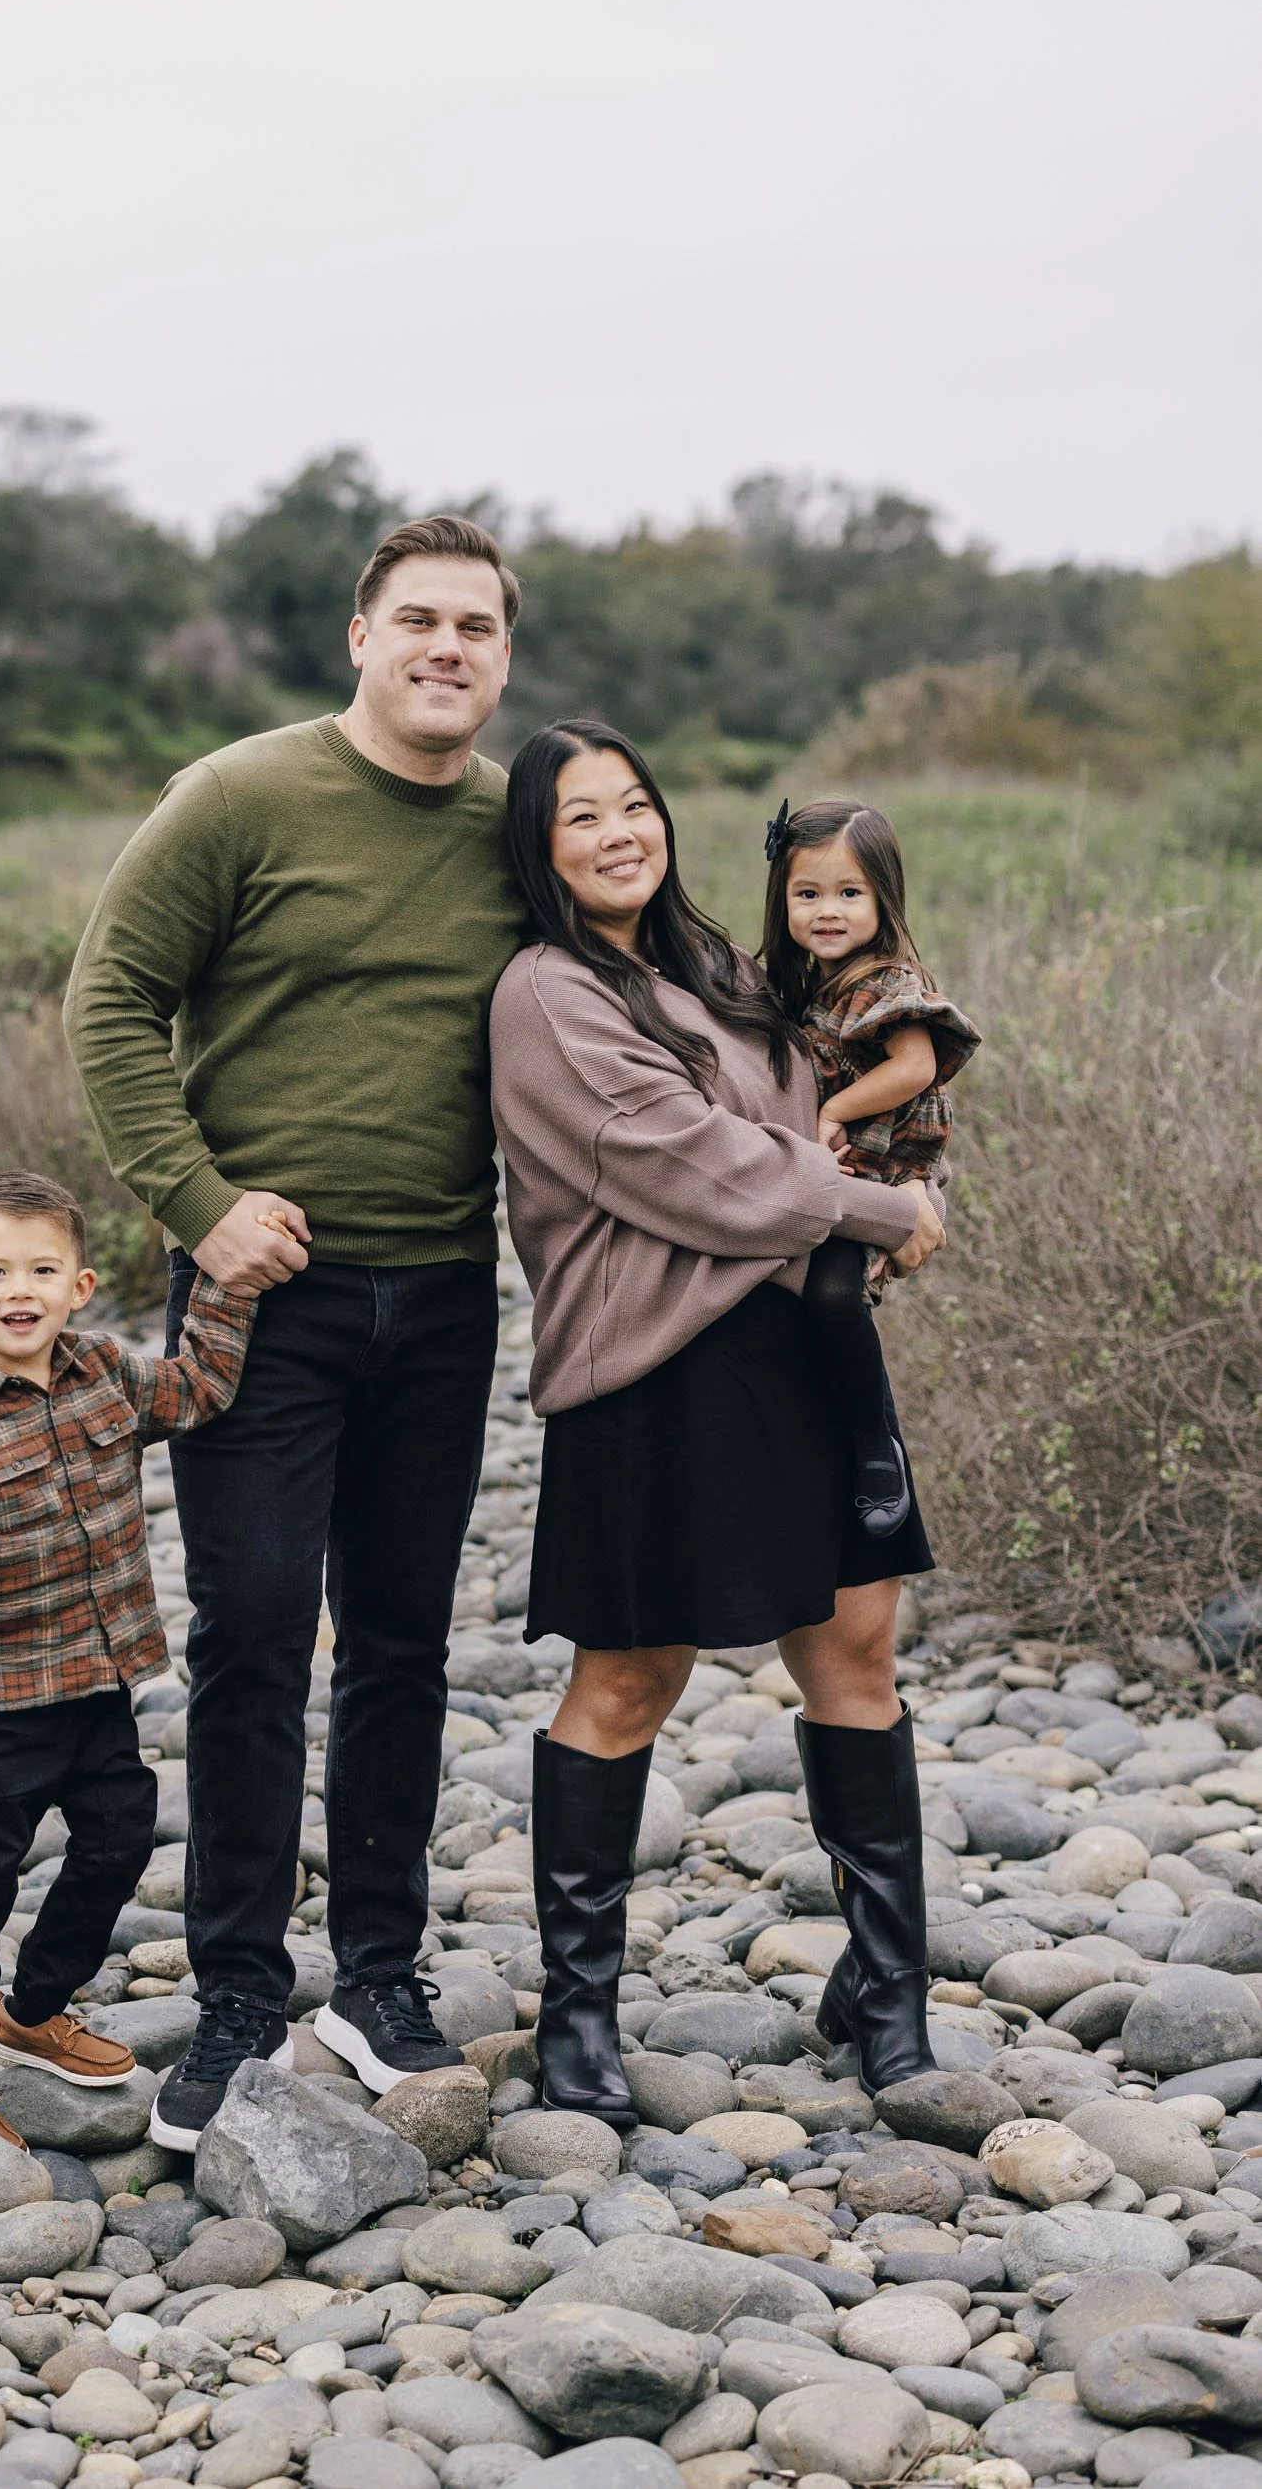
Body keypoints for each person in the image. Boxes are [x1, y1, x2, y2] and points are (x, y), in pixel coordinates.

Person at [64, 517, 529, 2149]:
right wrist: (199, 1208)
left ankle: (378, 1975)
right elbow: (106, 1000)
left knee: (403, 1639)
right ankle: (240, 1994)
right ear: (357, 635)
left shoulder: (511, 830)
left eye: (476, 626)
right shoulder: (238, 797)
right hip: (255, 1312)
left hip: (442, 1300)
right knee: (253, 1636)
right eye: (418, 619)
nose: (447, 648)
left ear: (500, 655)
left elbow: (644, 1012)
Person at [488, 720, 948, 2117]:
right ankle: (578, 2020)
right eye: (583, 818)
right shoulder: (545, 995)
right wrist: (880, 1209)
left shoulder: (726, 969)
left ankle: (888, 1989)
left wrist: (881, 1176)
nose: (621, 832)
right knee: (631, 1678)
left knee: (857, 1655)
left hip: (806, 1346)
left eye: (636, 805)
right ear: (539, 847)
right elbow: (689, 1166)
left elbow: (813, 1113)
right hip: (653, 1371)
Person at [0, 1170, 255, 2136]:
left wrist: (231, 1278)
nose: (21, 1290)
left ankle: (36, 2008)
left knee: (121, 1837)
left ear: (80, 1287)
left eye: (42, 1270)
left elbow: (202, 1388)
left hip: (98, 1685)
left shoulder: (108, 1374)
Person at [760, 798, 980, 1538]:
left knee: (830, 1297)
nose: (829, 911)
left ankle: (872, 1449)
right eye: (808, 893)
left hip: (883, 1172)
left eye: (850, 893)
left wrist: (832, 1113)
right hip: (837, 1177)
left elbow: (916, 1065)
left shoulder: (886, 982)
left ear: (883, 897)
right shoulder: (799, 980)